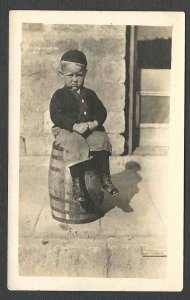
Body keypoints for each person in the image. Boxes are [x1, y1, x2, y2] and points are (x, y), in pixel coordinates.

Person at [50, 49, 119, 203]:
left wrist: (94, 124)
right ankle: (77, 184)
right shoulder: (59, 95)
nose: (75, 79)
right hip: (66, 129)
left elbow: (102, 111)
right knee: (75, 143)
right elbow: (56, 116)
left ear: (85, 74)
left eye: (79, 75)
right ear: (61, 74)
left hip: (87, 129)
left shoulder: (90, 94)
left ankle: (105, 178)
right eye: (70, 75)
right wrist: (74, 126)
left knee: (101, 138)